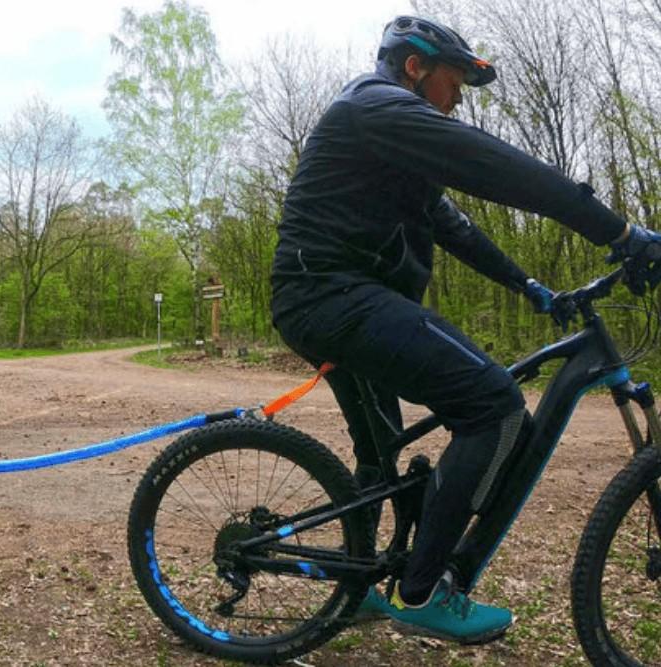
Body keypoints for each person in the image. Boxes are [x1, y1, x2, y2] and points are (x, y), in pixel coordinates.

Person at [271, 15, 661, 643]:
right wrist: (614, 229)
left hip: (327, 300)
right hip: (333, 296)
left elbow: (456, 229)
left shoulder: (394, 149)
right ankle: (423, 590)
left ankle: (360, 585)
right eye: (455, 84)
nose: (457, 103)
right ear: (415, 68)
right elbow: (491, 166)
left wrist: (530, 286)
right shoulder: (375, 107)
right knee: (495, 404)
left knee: (383, 454)